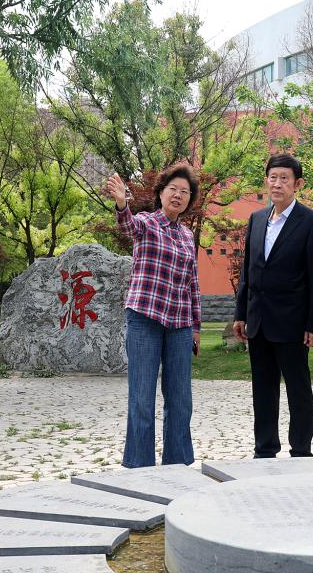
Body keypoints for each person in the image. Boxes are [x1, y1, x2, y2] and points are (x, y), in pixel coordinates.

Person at [233, 154, 313, 459]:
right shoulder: (257, 219)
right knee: (263, 388)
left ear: (297, 184)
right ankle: (265, 449)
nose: (277, 183)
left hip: (292, 322)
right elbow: (248, 271)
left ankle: (301, 449)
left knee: (298, 388)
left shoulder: (312, 222)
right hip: (258, 320)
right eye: (272, 177)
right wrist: (240, 313)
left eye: (284, 178)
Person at [105, 165, 201, 468]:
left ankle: (178, 464)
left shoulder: (187, 236)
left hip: (180, 324)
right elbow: (128, 226)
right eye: (173, 189)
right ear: (161, 193)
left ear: (189, 200)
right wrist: (122, 203)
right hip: (144, 319)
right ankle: (139, 466)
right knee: (142, 399)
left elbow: (193, 283)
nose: (178, 195)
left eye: (184, 192)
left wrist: (196, 327)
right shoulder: (146, 223)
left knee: (180, 399)